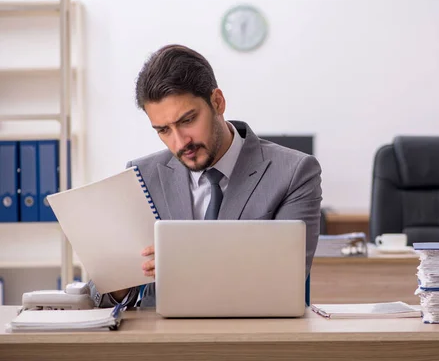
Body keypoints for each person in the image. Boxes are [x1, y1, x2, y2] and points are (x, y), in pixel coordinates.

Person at [91, 44, 322, 308]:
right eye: (163, 130)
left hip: (252, 339)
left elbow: (285, 280)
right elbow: (103, 298)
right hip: (162, 342)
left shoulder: (294, 172)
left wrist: (190, 259)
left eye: (187, 120)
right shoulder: (141, 176)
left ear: (217, 102)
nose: (180, 142)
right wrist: (118, 284)